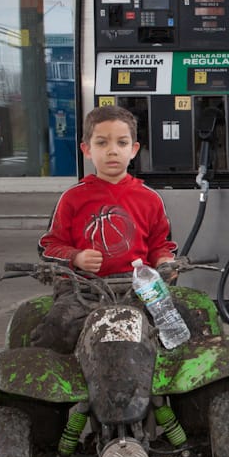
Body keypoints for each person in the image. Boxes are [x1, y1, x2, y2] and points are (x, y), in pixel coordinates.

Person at [30, 105, 177, 353]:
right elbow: (48, 247)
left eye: (121, 143)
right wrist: (76, 257)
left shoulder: (150, 199)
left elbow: (161, 245)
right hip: (83, 289)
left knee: (179, 326)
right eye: (101, 143)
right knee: (58, 326)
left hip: (139, 289)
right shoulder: (73, 198)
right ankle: (62, 385)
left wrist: (165, 262)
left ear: (134, 150)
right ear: (86, 150)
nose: (112, 151)